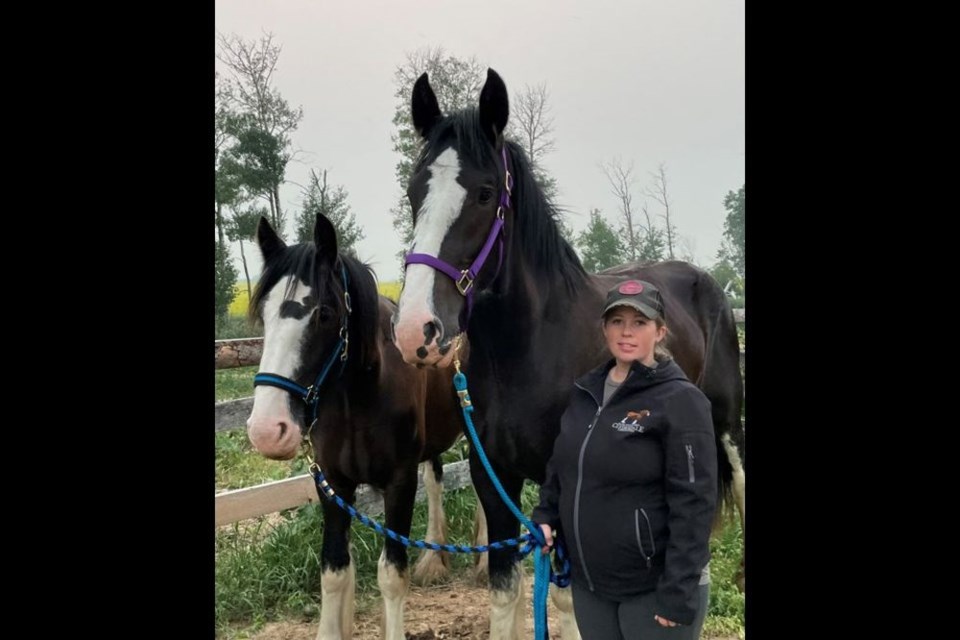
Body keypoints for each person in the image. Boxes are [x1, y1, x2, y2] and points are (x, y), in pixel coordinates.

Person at [532, 279, 717, 639]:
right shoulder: (585, 392)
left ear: (660, 331)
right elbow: (563, 465)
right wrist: (546, 515)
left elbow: (695, 503)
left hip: (653, 590)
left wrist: (678, 591)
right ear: (603, 328)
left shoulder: (681, 401)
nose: (626, 332)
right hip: (592, 587)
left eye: (639, 322)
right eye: (616, 321)